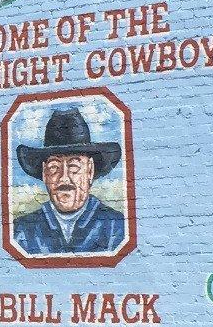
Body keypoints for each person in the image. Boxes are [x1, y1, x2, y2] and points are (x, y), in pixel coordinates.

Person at [9, 104, 127, 256]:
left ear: (90, 171)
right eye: (54, 167)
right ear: (45, 174)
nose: (64, 178)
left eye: (74, 167)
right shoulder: (22, 232)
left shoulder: (116, 228)